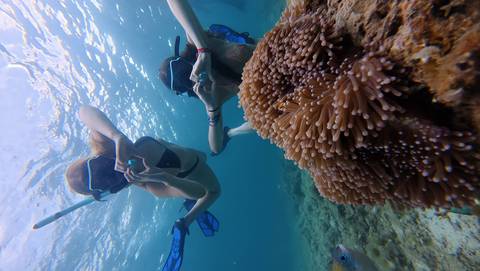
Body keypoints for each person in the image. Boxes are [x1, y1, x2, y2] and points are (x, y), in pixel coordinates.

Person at [65, 105, 221, 229]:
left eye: (98, 166)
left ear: (97, 157)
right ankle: (185, 221)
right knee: (214, 191)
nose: (109, 171)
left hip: (173, 151)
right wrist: (165, 178)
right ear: (107, 188)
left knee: (203, 155)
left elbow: (83, 111)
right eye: (103, 179)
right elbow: (200, 192)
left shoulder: (109, 146)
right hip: (190, 169)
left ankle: (184, 220)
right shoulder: (148, 183)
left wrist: (117, 136)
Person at [159, 0, 255, 155]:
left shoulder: (199, 43)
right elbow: (215, 148)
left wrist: (203, 51)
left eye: (190, 70)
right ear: (188, 89)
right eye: (191, 81)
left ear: (188, 58)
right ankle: (230, 133)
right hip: (269, 85)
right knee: (262, 120)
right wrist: (212, 108)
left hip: (266, 51)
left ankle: (230, 133)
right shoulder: (210, 93)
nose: (199, 76)